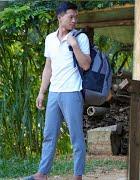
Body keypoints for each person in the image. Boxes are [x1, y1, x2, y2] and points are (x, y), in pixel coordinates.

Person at [25, 1, 91, 180]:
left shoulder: (81, 37)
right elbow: (48, 68)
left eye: (76, 17)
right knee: (49, 135)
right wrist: (41, 92)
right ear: (60, 17)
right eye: (71, 17)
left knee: (76, 137)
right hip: (54, 93)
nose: (74, 20)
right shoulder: (49, 39)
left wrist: (74, 44)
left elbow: (85, 65)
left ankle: (77, 176)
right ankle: (42, 173)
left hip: (72, 92)